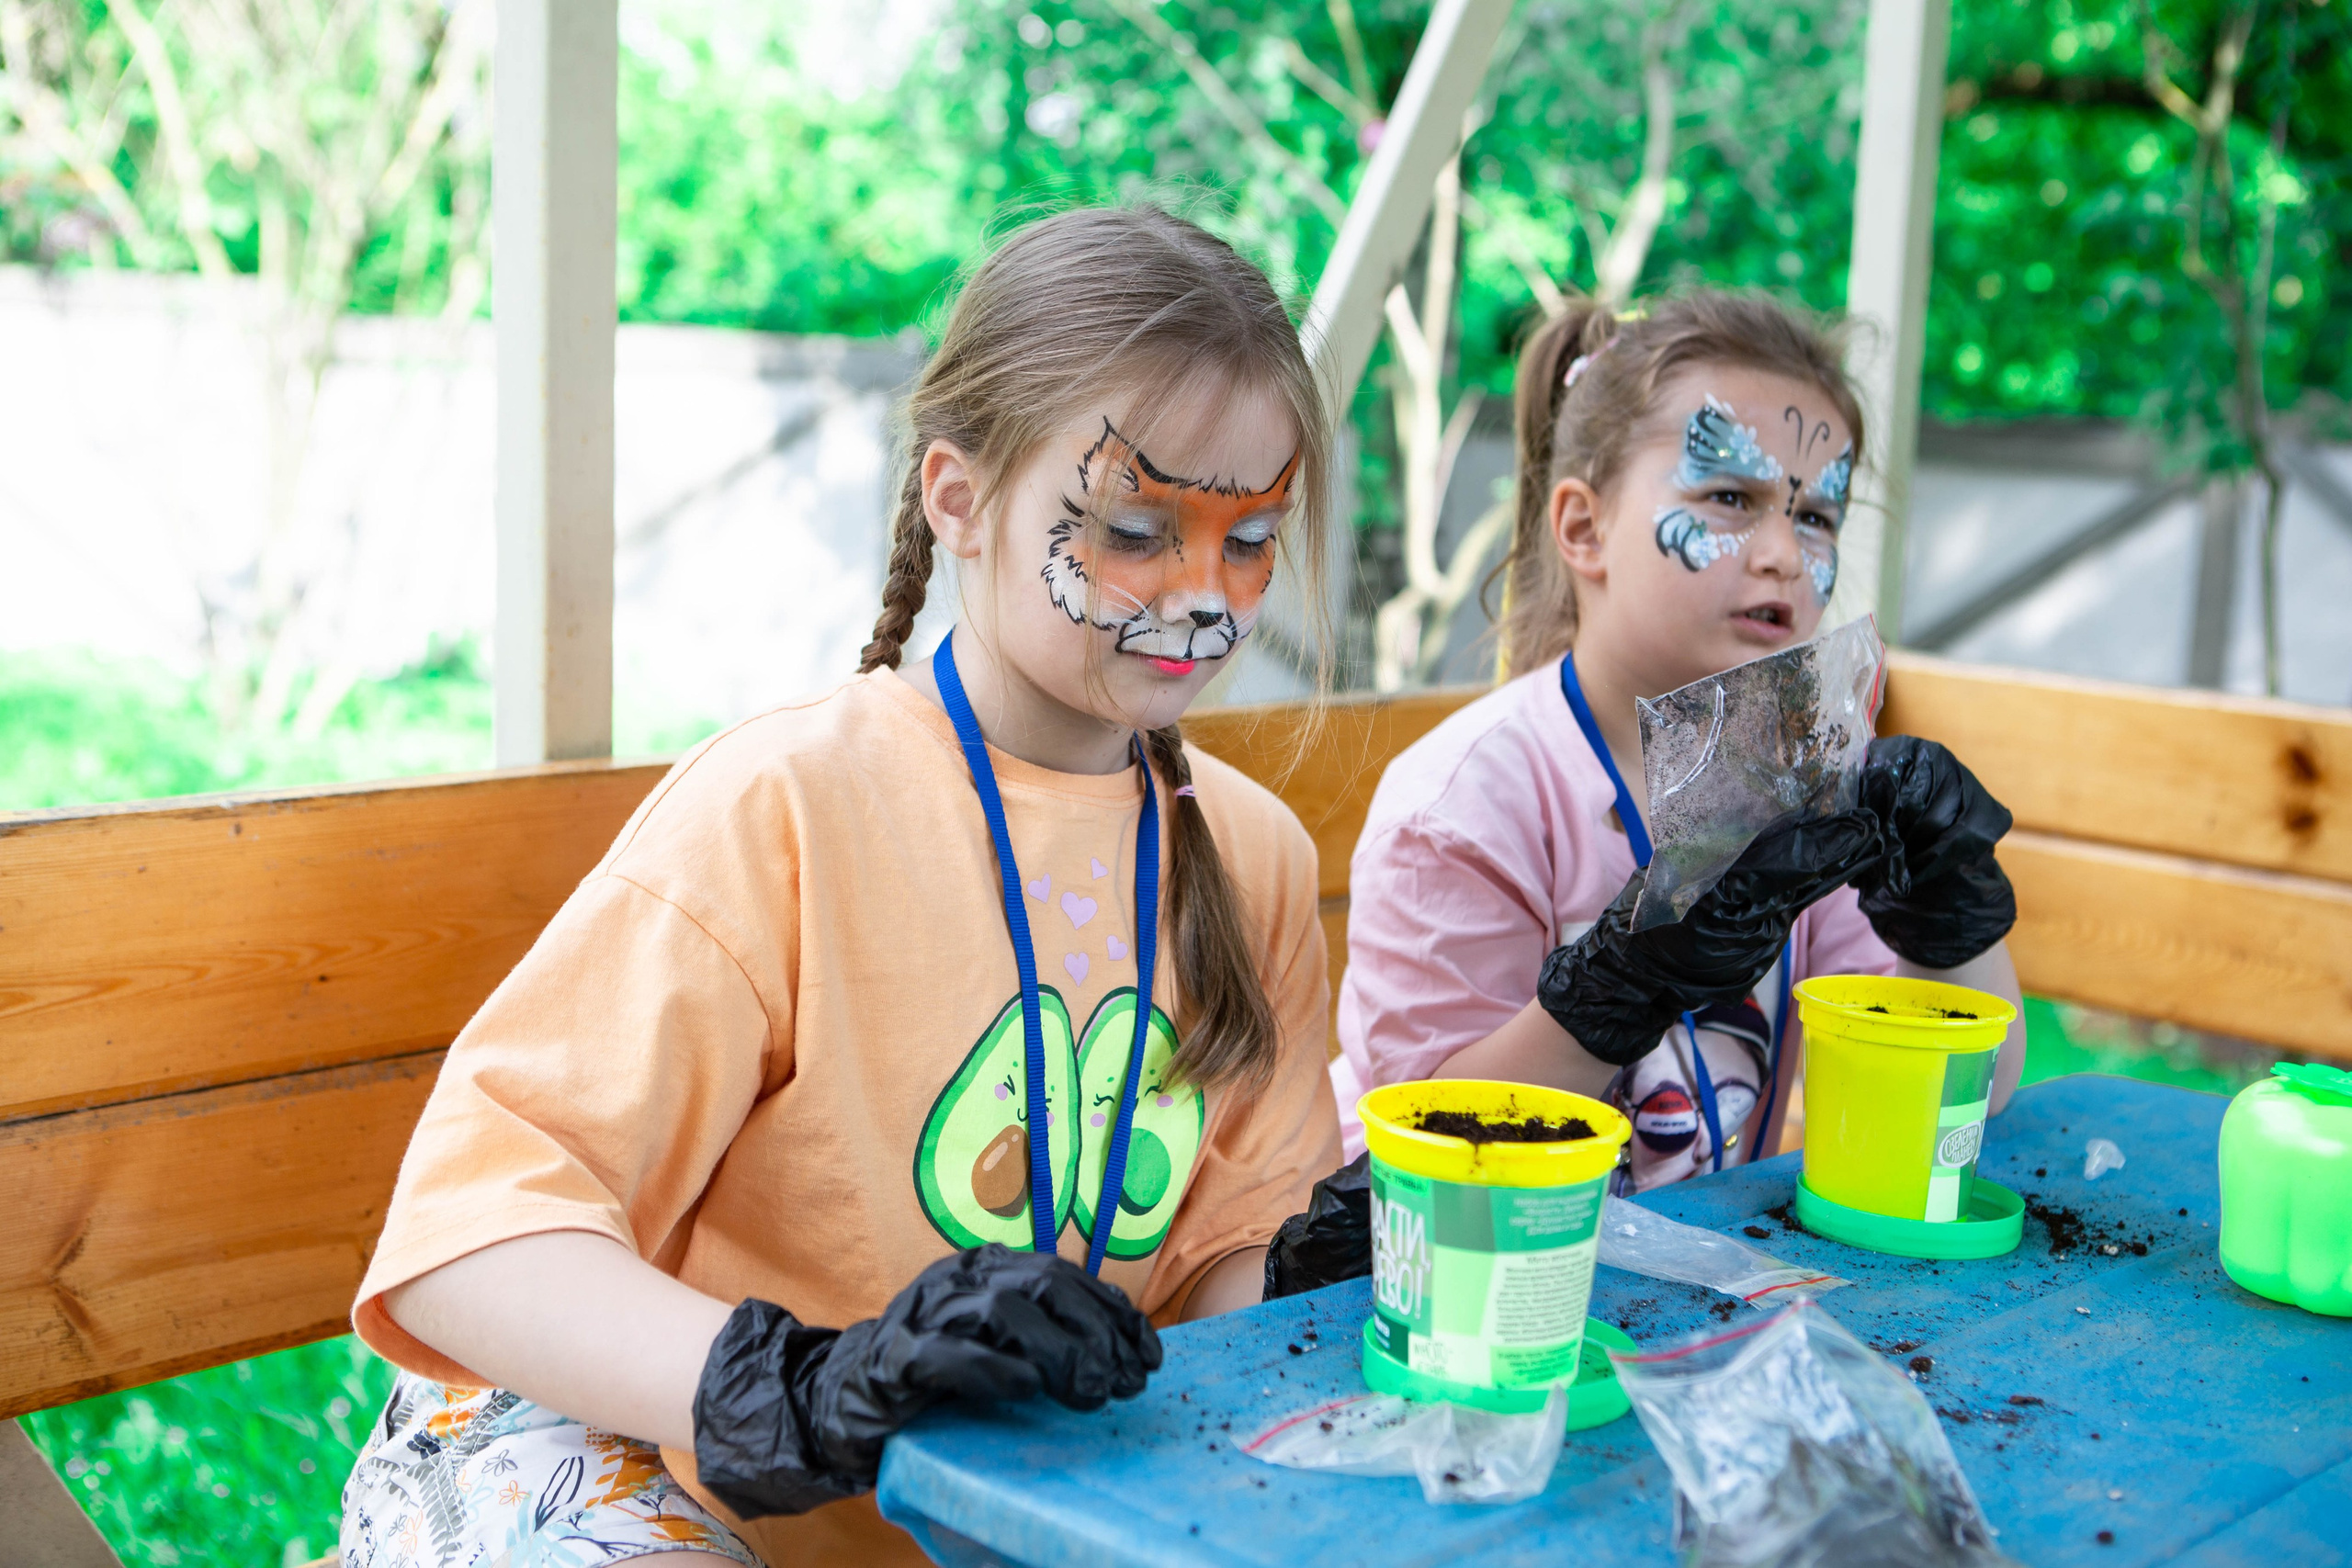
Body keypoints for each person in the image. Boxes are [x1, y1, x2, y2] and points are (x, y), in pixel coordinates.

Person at [337, 206, 1345, 1568]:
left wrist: (1309, 1276)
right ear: (959, 498)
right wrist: (801, 1384)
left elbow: (1220, 1264)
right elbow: (471, 1235)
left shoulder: (1253, 853)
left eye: (1249, 539)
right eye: (1133, 528)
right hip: (633, 1453)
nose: (1203, 596)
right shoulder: (787, 802)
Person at [1333, 292, 2026, 1192]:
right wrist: (1615, 987)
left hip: (1698, 1293)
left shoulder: (1804, 791)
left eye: (1816, 516)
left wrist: (1945, 918)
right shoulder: (1463, 803)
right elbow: (1425, 1154)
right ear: (1583, 529)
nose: (1782, 551)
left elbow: (1964, 1105)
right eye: (1730, 497)